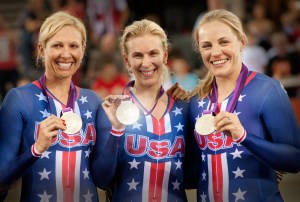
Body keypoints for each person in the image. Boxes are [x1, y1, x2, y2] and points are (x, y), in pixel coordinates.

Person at [188, 9, 300, 202]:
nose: (215, 52)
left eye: (224, 42)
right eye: (207, 45)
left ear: (241, 41)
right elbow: (192, 174)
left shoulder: (267, 89)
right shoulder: (196, 101)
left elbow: (295, 160)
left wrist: (244, 137)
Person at [0, 11, 105, 202]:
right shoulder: (18, 100)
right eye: (57, 45)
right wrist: (36, 149)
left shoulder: (93, 101)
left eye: (74, 46)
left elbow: (103, 178)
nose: (66, 54)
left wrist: (115, 131)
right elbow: (1, 179)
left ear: (83, 49)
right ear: (41, 49)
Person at [91, 19, 191, 202]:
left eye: (153, 53)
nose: (146, 63)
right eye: (138, 55)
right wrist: (116, 130)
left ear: (165, 56)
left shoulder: (184, 108)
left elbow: (193, 176)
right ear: (126, 60)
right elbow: (101, 179)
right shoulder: (112, 109)